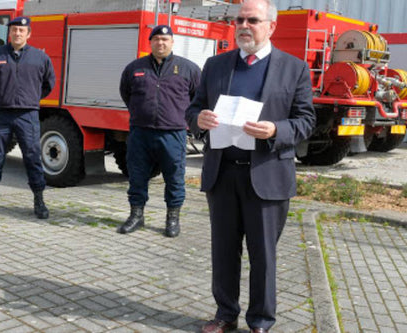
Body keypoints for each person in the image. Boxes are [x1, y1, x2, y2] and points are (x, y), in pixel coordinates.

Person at [185, 0, 316, 332]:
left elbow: (305, 122)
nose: (244, 25)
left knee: (263, 257)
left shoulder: (294, 68)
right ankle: (225, 314)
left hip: (267, 175)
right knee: (224, 252)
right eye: (239, 19)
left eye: (252, 20)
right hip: (223, 174)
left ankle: (260, 320)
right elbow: (195, 109)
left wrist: (275, 130)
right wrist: (197, 119)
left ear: (271, 26)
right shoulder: (215, 65)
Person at [118, 25, 200, 237]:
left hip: (173, 134)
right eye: (156, 39)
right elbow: (126, 93)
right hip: (140, 133)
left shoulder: (188, 69)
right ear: (150, 42)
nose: (160, 43)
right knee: (137, 176)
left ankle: (172, 218)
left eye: (165, 39)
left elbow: (197, 98)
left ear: (172, 42)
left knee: (174, 178)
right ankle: (136, 215)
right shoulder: (135, 68)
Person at [0, 16, 55, 219]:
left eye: (21, 30)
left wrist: (31, 98)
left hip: (28, 114)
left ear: (29, 34)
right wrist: (4, 95)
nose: (17, 33)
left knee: (32, 157)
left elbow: (48, 84)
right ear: (9, 33)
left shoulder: (40, 57)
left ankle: (39, 200)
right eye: (14, 30)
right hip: (2, 113)